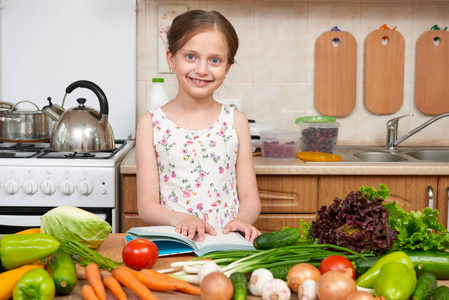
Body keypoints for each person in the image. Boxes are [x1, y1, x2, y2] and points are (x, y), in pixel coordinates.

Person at [136, 10, 261, 243]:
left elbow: (249, 196)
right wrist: (180, 219)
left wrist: (243, 219)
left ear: (227, 68)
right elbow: (146, 206)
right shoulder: (150, 124)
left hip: (227, 240)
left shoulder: (236, 121)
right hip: (175, 240)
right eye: (191, 56)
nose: (202, 70)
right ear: (172, 59)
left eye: (215, 60)